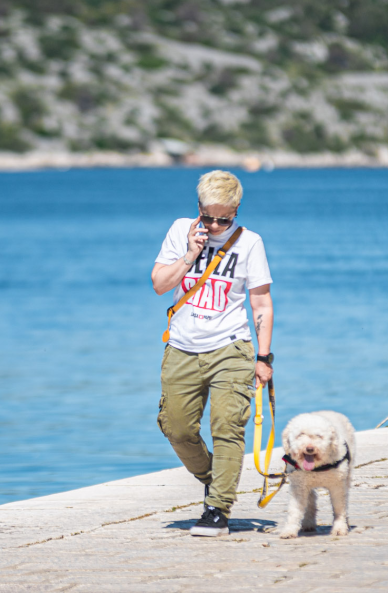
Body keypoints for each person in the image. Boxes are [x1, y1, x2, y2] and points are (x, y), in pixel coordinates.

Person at [151, 169, 274, 537]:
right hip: (182, 347)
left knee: (227, 426)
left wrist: (263, 358)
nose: (217, 225)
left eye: (226, 218)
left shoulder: (250, 243)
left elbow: (262, 304)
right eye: (209, 217)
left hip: (231, 348)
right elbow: (159, 284)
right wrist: (191, 253)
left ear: (236, 210)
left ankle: (218, 507)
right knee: (175, 427)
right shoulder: (179, 230)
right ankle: (213, 479)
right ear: (198, 208)